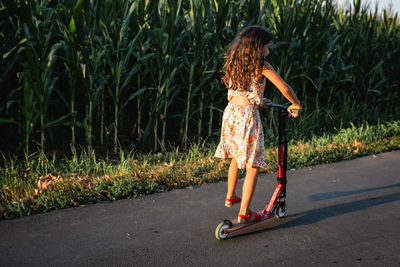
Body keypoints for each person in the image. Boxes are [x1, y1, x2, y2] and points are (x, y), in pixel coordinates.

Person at [214, 26, 301, 223]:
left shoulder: (235, 61)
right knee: (253, 164)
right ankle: (244, 212)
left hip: (230, 114)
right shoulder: (261, 66)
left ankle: (230, 196)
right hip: (247, 118)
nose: (268, 52)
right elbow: (285, 88)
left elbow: (241, 92)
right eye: (267, 47)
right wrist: (295, 104)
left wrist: (260, 100)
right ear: (258, 47)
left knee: (236, 157)